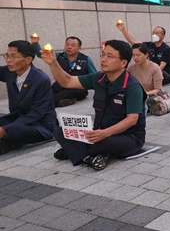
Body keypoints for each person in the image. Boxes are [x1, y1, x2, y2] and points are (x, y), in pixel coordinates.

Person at [42, 40, 145, 170]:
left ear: (123, 63)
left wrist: (104, 134)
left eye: (110, 56)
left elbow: (132, 119)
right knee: (61, 131)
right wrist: (53, 63)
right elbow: (67, 82)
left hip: (128, 137)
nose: (104, 59)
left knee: (102, 143)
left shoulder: (132, 86)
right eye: (103, 54)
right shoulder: (99, 78)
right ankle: (89, 157)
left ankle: (74, 152)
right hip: (99, 131)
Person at [0, 40, 56, 154]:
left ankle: (7, 143)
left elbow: (36, 113)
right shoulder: (10, 72)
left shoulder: (41, 80)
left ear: (28, 60)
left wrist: (6, 128)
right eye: (7, 55)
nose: (8, 60)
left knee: (15, 130)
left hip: (40, 124)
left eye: (13, 56)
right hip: (17, 118)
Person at [31, 35, 97, 107]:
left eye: (73, 45)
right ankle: (65, 101)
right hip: (59, 86)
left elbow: (94, 77)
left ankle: (51, 103)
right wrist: (35, 44)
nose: (69, 47)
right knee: (45, 94)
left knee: (64, 94)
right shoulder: (58, 56)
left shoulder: (86, 59)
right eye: (67, 44)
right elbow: (42, 55)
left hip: (78, 88)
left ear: (79, 48)